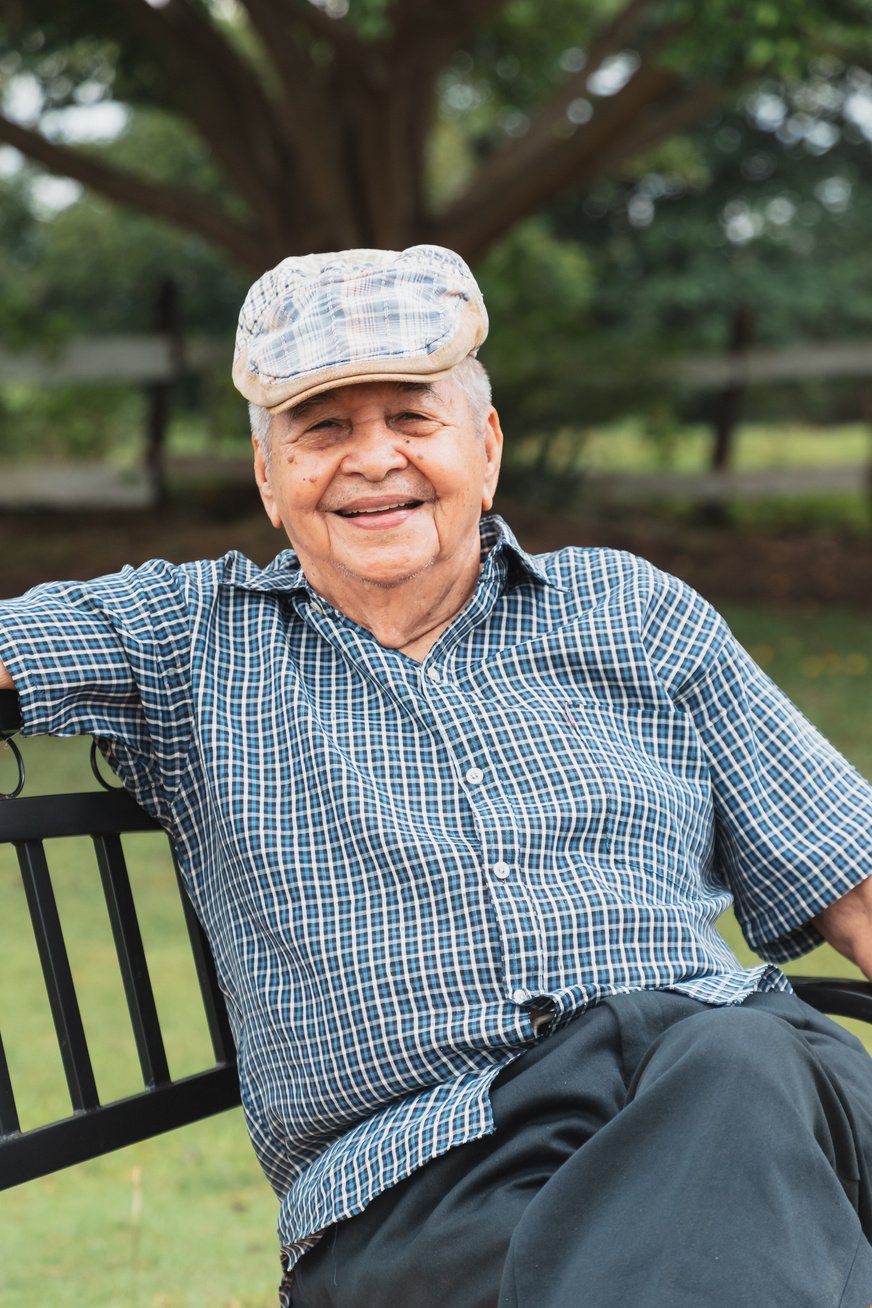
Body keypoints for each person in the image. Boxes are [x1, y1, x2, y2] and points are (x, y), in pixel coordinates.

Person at [1, 244, 871, 1308]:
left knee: (734, 1068)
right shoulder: (185, 642)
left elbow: (852, 879)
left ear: (486, 446)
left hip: (739, 1084)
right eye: (323, 429)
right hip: (435, 1179)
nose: (373, 460)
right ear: (269, 478)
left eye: (412, 419)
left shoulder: (632, 613)